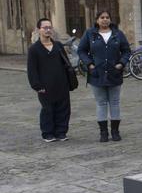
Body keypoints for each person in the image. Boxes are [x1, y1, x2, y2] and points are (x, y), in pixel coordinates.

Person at [78, 10, 131, 142]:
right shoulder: (90, 34)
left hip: (114, 73)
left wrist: (121, 64)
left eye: (107, 17)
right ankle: (103, 132)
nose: (105, 20)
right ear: (97, 20)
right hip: (97, 74)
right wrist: (90, 64)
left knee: (114, 102)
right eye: (102, 17)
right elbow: (81, 50)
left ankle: (115, 131)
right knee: (101, 103)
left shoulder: (117, 34)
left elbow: (126, 51)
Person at [27, 18, 71, 142]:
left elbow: (66, 64)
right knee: (47, 109)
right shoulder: (34, 49)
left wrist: (69, 81)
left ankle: (61, 132)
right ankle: (48, 133)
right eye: (44, 27)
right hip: (45, 85)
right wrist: (36, 85)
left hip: (61, 83)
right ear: (38, 30)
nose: (47, 30)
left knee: (63, 109)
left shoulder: (58, 46)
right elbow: (32, 69)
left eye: (49, 27)